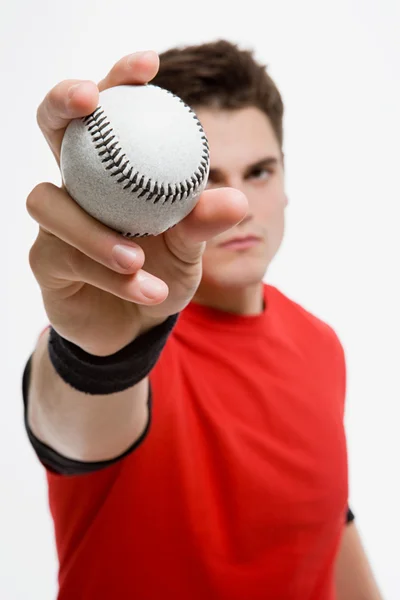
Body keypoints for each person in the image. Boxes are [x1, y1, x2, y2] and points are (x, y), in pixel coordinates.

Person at [23, 40, 382, 600]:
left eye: (260, 171)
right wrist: (99, 355)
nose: (237, 203)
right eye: (207, 178)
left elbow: (327, 524)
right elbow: (71, 428)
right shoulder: (120, 340)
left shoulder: (320, 342)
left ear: (286, 183)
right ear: (153, 193)